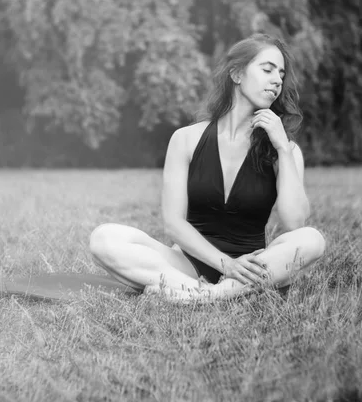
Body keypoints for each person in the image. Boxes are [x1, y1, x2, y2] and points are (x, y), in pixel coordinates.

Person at [89, 33, 326, 303]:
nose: (277, 81)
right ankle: (211, 294)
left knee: (312, 239)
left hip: (251, 268)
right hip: (188, 264)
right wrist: (226, 264)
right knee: (104, 238)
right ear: (236, 74)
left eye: (281, 74)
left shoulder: (285, 149)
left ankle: (203, 296)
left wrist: (282, 148)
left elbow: (294, 223)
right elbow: (174, 224)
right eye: (267, 69)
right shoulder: (186, 139)